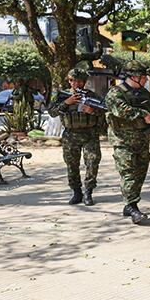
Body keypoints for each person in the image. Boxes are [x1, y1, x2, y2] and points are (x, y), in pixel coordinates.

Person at [105, 60, 150, 225]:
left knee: (140, 172)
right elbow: (121, 110)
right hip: (123, 141)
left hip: (142, 140)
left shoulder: (144, 93)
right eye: (144, 77)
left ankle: (129, 204)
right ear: (135, 77)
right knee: (129, 173)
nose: (146, 80)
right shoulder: (116, 93)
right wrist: (142, 114)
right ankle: (132, 206)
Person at [47, 67, 105, 206]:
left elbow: (104, 112)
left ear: (84, 82)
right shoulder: (63, 96)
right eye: (72, 81)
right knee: (72, 164)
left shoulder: (92, 96)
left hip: (90, 133)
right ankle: (76, 192)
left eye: (79, 81)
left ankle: (88, 192)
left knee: (92, 162)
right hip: (71, 135)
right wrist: (67, 102)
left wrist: (92, 111)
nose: (76, 84)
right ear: (69, 81)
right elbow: (52, 112)